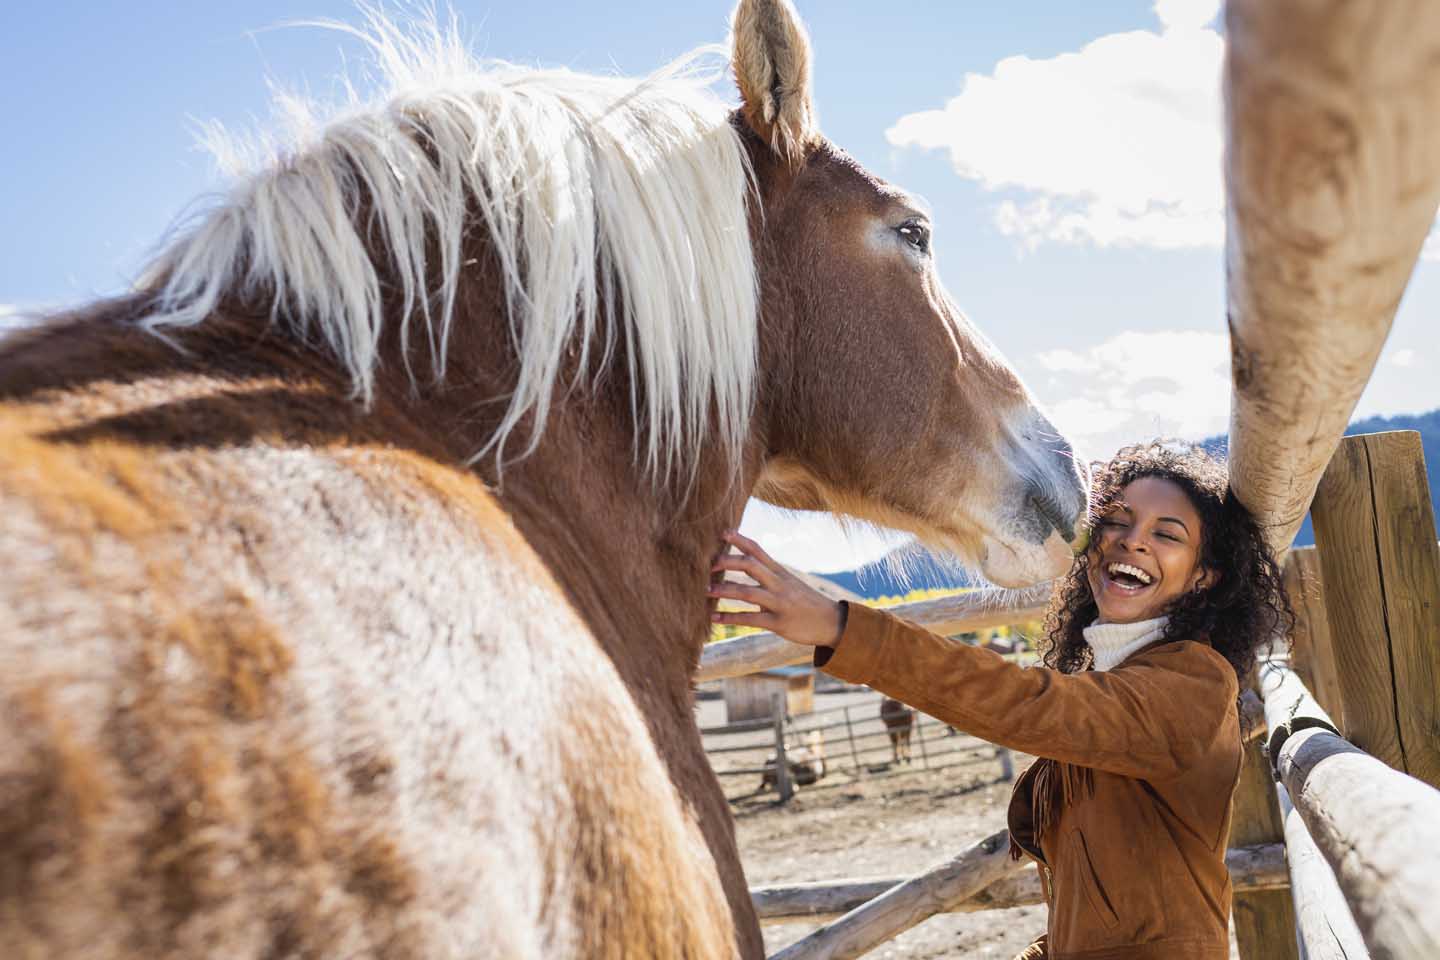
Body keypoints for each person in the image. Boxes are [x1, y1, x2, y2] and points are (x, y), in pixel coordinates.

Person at [709, 443, 1292, 960]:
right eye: (1116, 520)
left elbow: (1026, 703)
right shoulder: (1113, 675)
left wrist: (841, 628)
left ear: (1203, 578)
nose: (1133, 538)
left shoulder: (1191, 683)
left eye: (1167, 534)